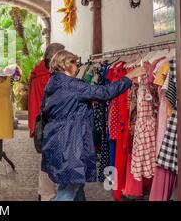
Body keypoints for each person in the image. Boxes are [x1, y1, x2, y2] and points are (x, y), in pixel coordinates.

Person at [41, 50, 146, 201]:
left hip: (57, 140)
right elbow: (104, 92)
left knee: (75, 186)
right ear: (65, 65)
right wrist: (129, 77)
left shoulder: (53, 83)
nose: (77, 66)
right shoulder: (73, 86)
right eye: (74, 63)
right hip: (71, 143)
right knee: (69, 189)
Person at [28, 43, 65, 201]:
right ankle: (47, 194)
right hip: (49, 124)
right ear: (51, 57)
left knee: (48, 160)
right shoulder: (46, 78)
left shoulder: (40, 73)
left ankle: (46, 193)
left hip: (44, 124)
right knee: (49, 161)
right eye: (61, 55)